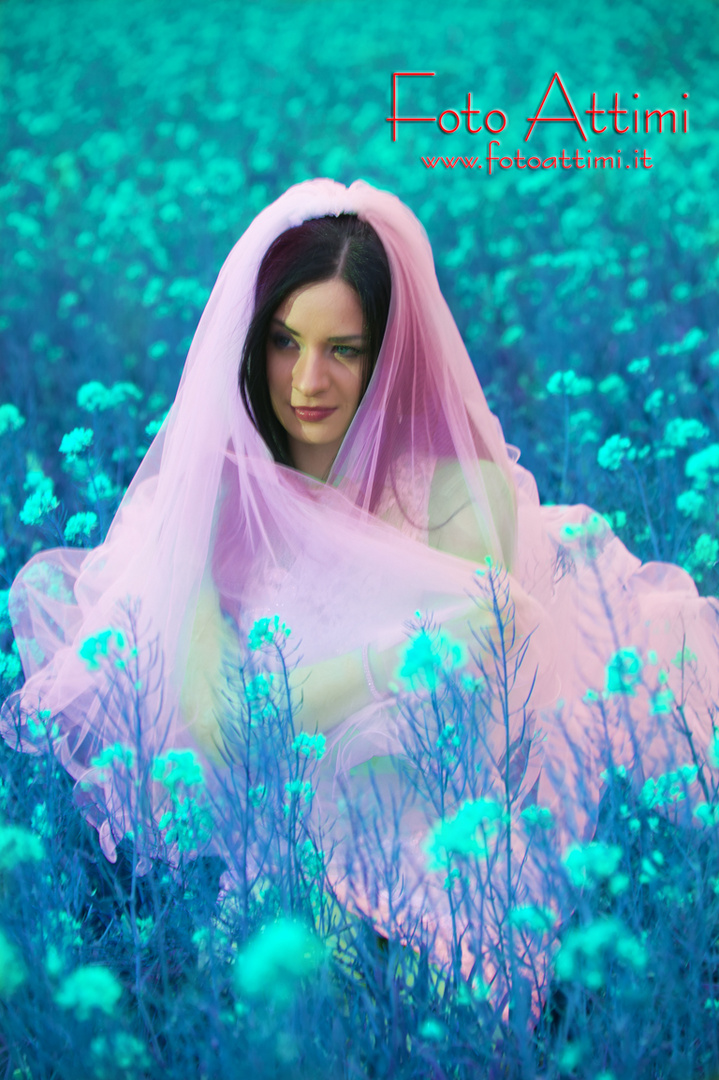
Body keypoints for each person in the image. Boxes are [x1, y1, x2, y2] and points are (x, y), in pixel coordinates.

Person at [2, 179, 718, 1015]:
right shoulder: (215, 504)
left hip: (444, 816)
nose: (307, 379)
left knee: (438, 988)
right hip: (283, 824)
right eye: (283, 341)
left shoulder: (457, 492)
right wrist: (389, 659)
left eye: (342, 349)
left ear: (388, 354)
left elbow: (463, 731)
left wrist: (308, 705)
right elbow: (228, 728)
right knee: (304, 977)